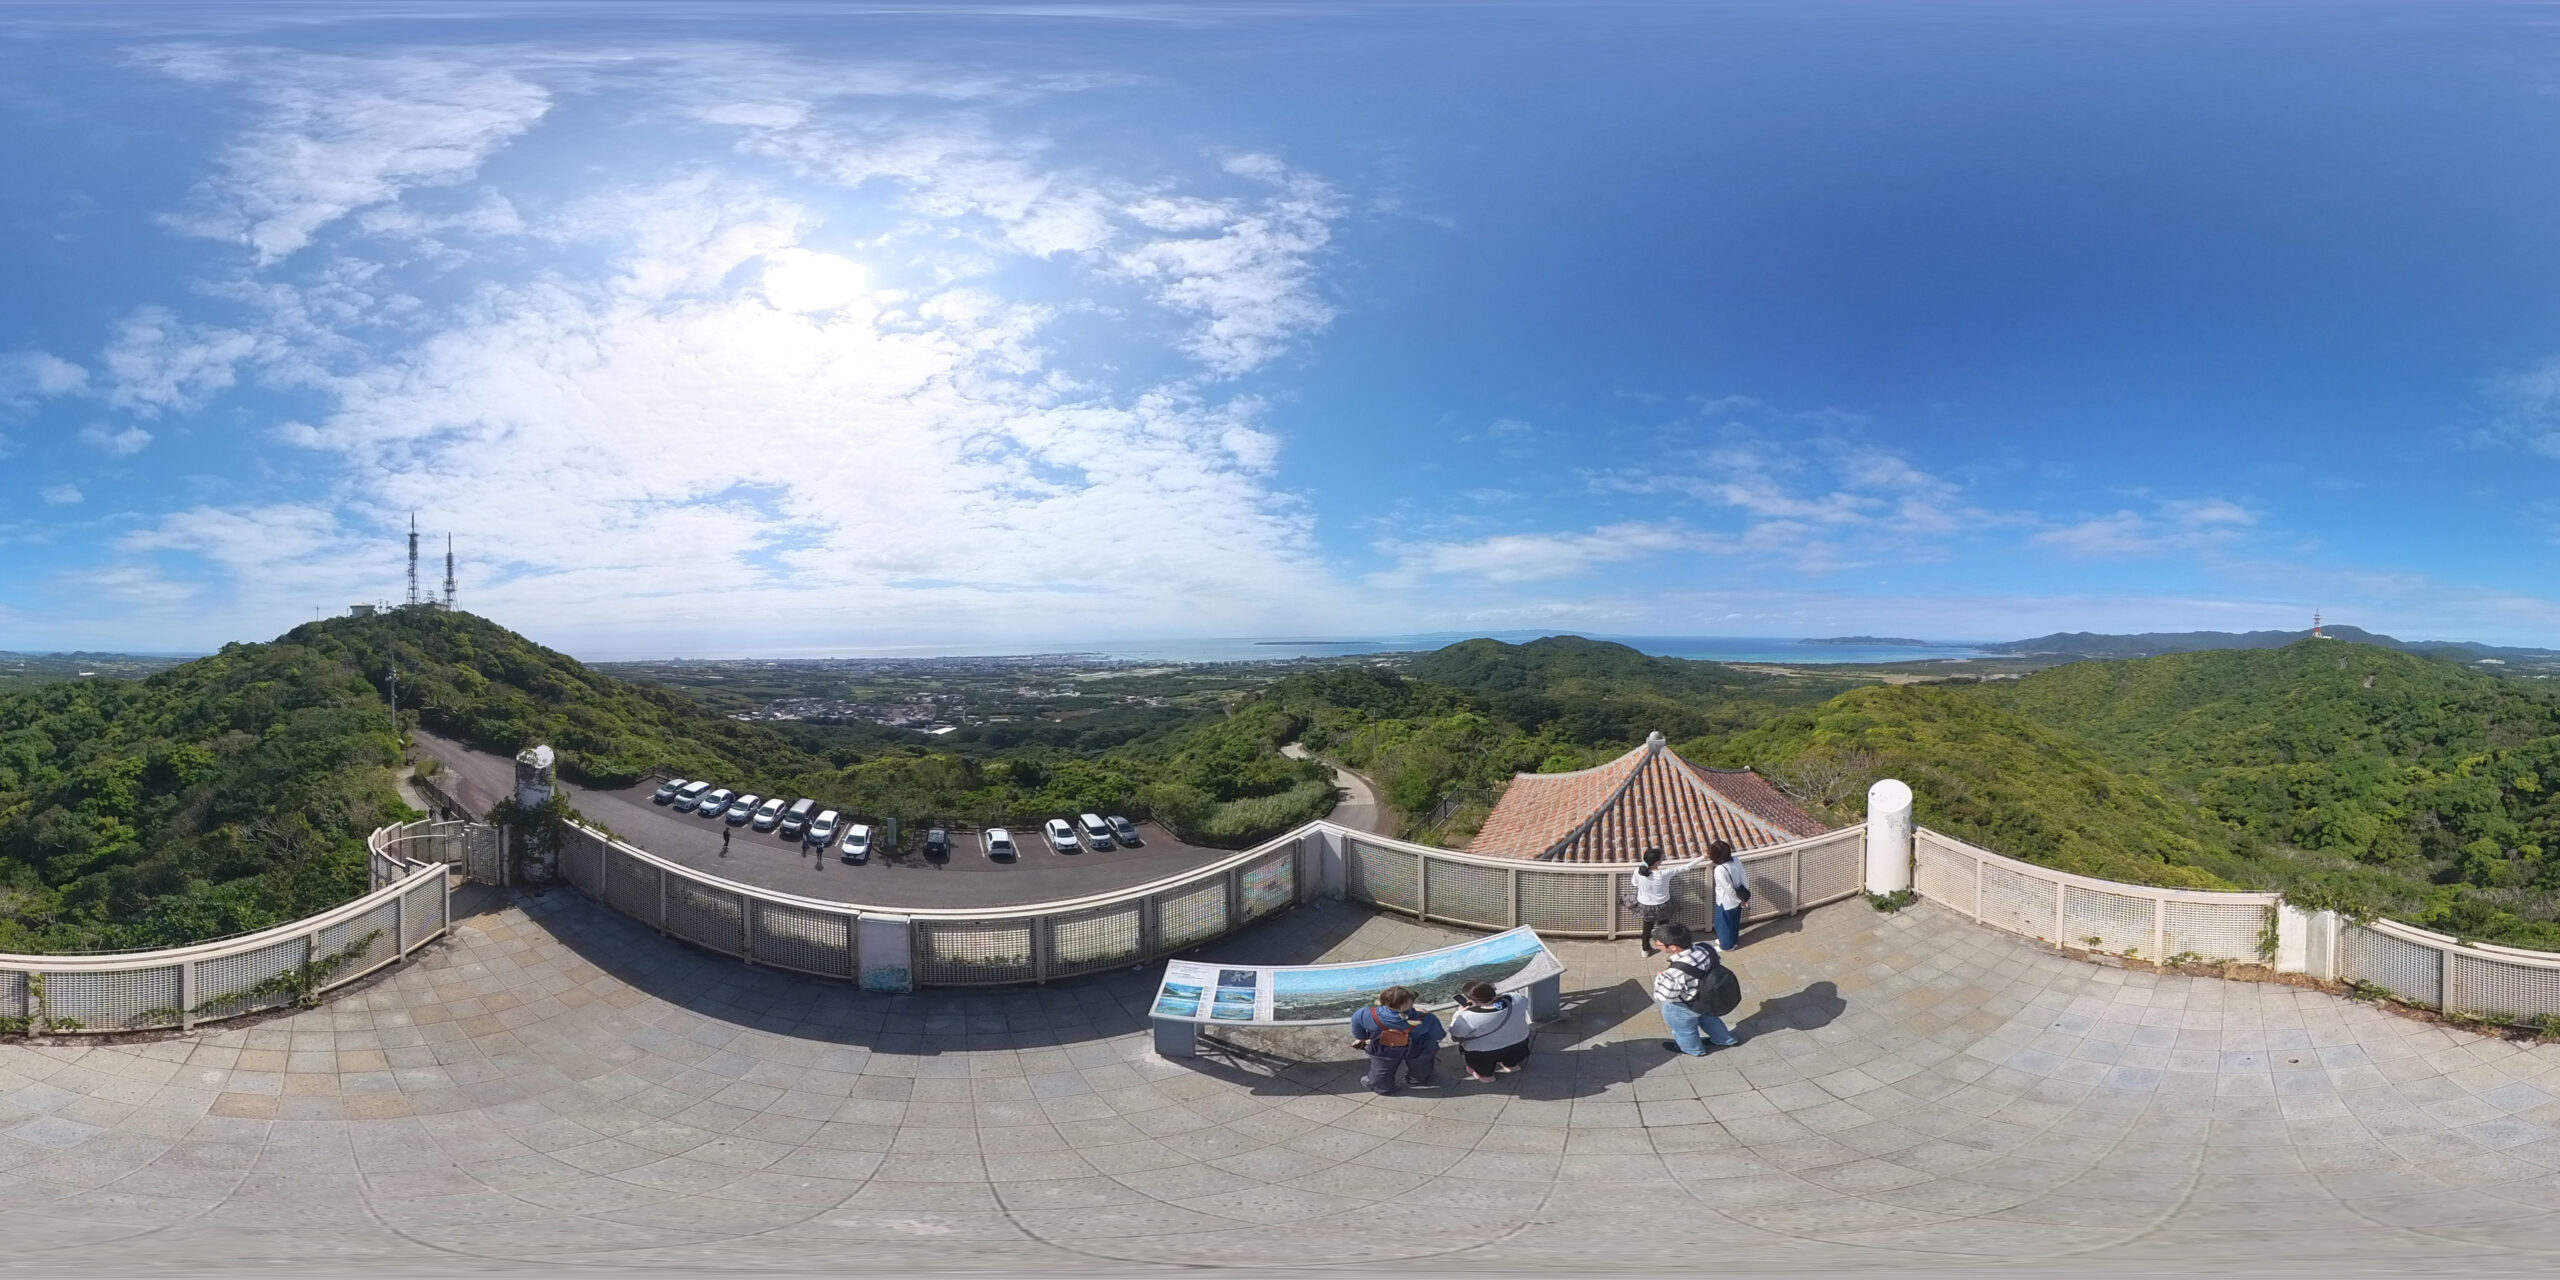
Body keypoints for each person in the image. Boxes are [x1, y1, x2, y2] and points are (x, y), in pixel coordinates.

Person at [1650, 922, 1740, 1056]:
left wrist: (1660, 979)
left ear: (1673, 947)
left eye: (1659, 944)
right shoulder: (1705, 948)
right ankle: (1725, 1040)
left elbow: (1664, 996)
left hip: (1685, 1005)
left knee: (1684, 1030)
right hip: (1708, 997)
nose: (1657, 945)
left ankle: (1694, 1050)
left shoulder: (1674, 973)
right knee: (1711, 1019)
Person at [1349, 986, 1444, 1095]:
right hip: (1417, 1047)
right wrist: (1419, 1014)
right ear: (1411, 1003)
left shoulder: (1365, 1013)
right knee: (1421, 1064)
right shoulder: (1427, 1018)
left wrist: (1362, 1038)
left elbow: (1357, 1027)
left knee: (1382, 1069)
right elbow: (1438, 1035)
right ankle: (1417, 1079)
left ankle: (1382, 1088)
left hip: (1383, 1047)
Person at [1447, 980, 1532, 1081]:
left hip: (1485, 1051)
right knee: (1512, 1057)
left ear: (1472, 1000)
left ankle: (1487, 1077)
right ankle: (1511, 1066)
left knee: (1483, 1067)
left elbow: (1456, 1032)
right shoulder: (1517, 998)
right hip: (1519, 1041)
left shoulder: (1468, 1017)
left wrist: (1458, 1014)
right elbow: (1499, 1004)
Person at [1629, 846, 1686, 955]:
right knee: (1665, 927)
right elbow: (1684, 867)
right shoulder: (1663, 874)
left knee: (1647, 928)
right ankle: (1668, 947)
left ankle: (1645, 950)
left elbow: (1634, 883)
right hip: (1662, 905)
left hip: (1645, 905)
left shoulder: (1638, 870)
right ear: (1656, 862)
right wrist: (1702, 858)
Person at [1706, 840, 1746, 951]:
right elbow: (1744, 877)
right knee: (1734, 922)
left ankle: (1726, 946)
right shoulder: (1736, 860)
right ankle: (1733, 941)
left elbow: (1727, 888)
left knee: (1722, 924)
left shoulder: (1719, 869)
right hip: (1739, 897)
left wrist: (1738, 900)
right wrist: (1743, 898)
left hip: (1725, 900)